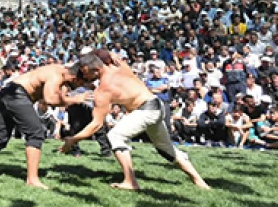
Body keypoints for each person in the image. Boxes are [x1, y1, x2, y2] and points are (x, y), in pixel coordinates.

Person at [60, 54, 211, 191]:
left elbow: (96, 124)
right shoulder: (118, 66)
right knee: (167, 150)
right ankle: (199, 181)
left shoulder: (103, 90)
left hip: (146, 110)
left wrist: (72, 140)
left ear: (96, 69)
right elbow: (102, 53)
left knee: (114, 136)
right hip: (157, 106)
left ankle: (130, 181)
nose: (85, 77)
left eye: (86, 73)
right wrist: (107, 55)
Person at [0, 54, 105, 188]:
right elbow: (49, 100)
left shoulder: (63, 71)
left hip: (7, 92)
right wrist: (75, 99)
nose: (78, 87)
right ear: (74, 78)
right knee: (36, 133)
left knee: (0, 136)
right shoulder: (56, 75)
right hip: (17, 94)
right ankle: (32, 179)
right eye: (80, 83)